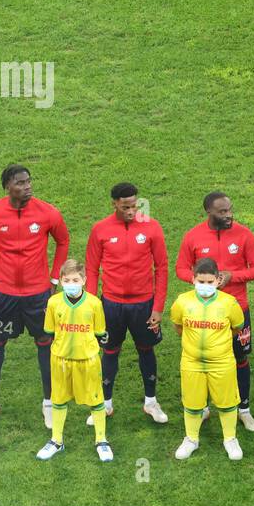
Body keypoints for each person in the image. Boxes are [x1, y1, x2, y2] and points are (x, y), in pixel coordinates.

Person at [0, 165, 70, 428]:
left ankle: (48, 403)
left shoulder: (48, 212)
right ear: (7, 186)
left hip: (37, 294)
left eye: (29, 181)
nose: (27, 186)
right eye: (20, 183)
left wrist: (54, 279)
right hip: (3, 295)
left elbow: (63, 241)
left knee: (45, 341)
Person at [176, 191, 254, 430]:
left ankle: (243, 409)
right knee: (203, 358)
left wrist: (232, 277)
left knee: (240, 358)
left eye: (230, 210)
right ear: (209, 212)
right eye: (223, 212)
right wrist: (202, 282)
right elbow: (181, 269)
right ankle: (203, 407)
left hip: (237, 309)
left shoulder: (244, 234)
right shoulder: (193, 236)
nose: (229, 215)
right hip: (202, 311)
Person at [85, 182, 169, 425]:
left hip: (144, 304)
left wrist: (158, 307)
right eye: (125, 207)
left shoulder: (151, 227)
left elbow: (161, 268)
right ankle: (105, 404)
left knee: (146, 350)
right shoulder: (100, 229)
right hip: (111, 305)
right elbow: (91, 268)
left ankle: (151, 402)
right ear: (114, 204)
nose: (131, 211)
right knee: (109, 351)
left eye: (134, 206)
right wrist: (92, 305)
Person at [170, 258, 246, 461]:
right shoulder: (182, 301)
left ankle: (230, 439)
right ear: (193, 279)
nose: (205, 286)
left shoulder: (229, 303)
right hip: (191, 362)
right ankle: (191, 439)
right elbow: (178, 326)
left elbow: (237, 327)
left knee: (227, 403)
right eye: (201, 282)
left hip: (222, 362)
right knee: (192, 403)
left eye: (209, 282)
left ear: (218, 280)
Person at [36, 260, 111, 462]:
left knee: (96, 400)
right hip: (60, 359)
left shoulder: (95, 303)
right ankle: (56, 441)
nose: (71, 283)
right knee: (58, 399)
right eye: (66, 279)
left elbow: (100, 331)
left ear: (84, 280)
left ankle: (101, 440)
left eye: (75, 279)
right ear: (60, 281)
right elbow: (49, 330)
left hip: (88, 359)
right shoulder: (53, 303)